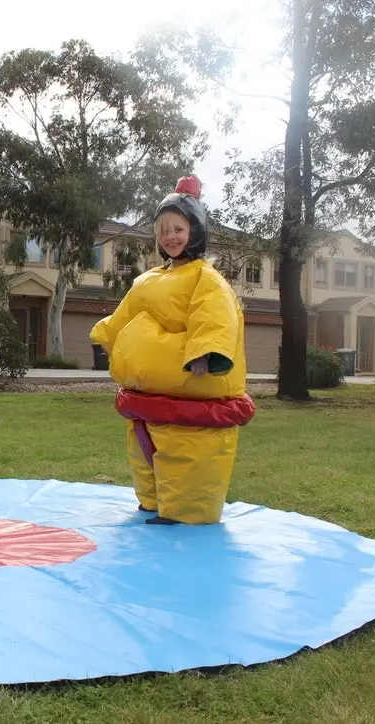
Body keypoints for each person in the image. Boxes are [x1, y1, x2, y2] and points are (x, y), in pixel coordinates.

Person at [90, 175, 255, 525]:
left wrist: (204, 352)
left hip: (193, 392)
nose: (171, 237)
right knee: (145, 452)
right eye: (164, 231)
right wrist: (110, 337)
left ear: (195, 231)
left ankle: (185, 510)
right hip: (146, 397)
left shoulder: (205, 278)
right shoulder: (147, 280)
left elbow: (214, 317)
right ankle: (152, 500)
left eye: (178, 228)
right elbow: (127, 315)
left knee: (184, 455)